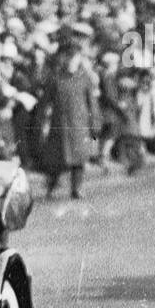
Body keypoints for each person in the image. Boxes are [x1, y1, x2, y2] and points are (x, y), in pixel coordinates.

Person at [37, 23, 101, 199]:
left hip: (80, 124)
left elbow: (92, 103)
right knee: (57, 159)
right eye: (68, 57)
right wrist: (41, 121)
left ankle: (77, 188)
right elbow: (44, 103)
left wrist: (95, 123)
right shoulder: (56, 79)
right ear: (63, 58)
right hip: (60, 124)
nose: (72, 60)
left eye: (75, 57)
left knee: (79, 159)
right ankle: (51, 186)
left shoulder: (84, 78)